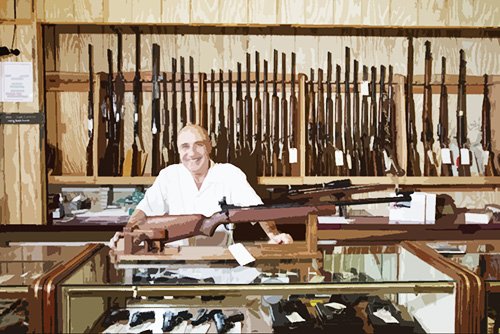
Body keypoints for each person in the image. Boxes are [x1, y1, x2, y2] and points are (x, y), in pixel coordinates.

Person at [112, 124, 292, 249]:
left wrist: (274, 235)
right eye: (185, 147)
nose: (191, 153)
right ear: (178, 150)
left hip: (221, 263)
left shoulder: (229, 173)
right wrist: (127, 234)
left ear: (209, 147)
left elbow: (256, 210)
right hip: (176, 265)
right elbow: (143, 211)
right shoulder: (169, 175)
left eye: (199, 145)